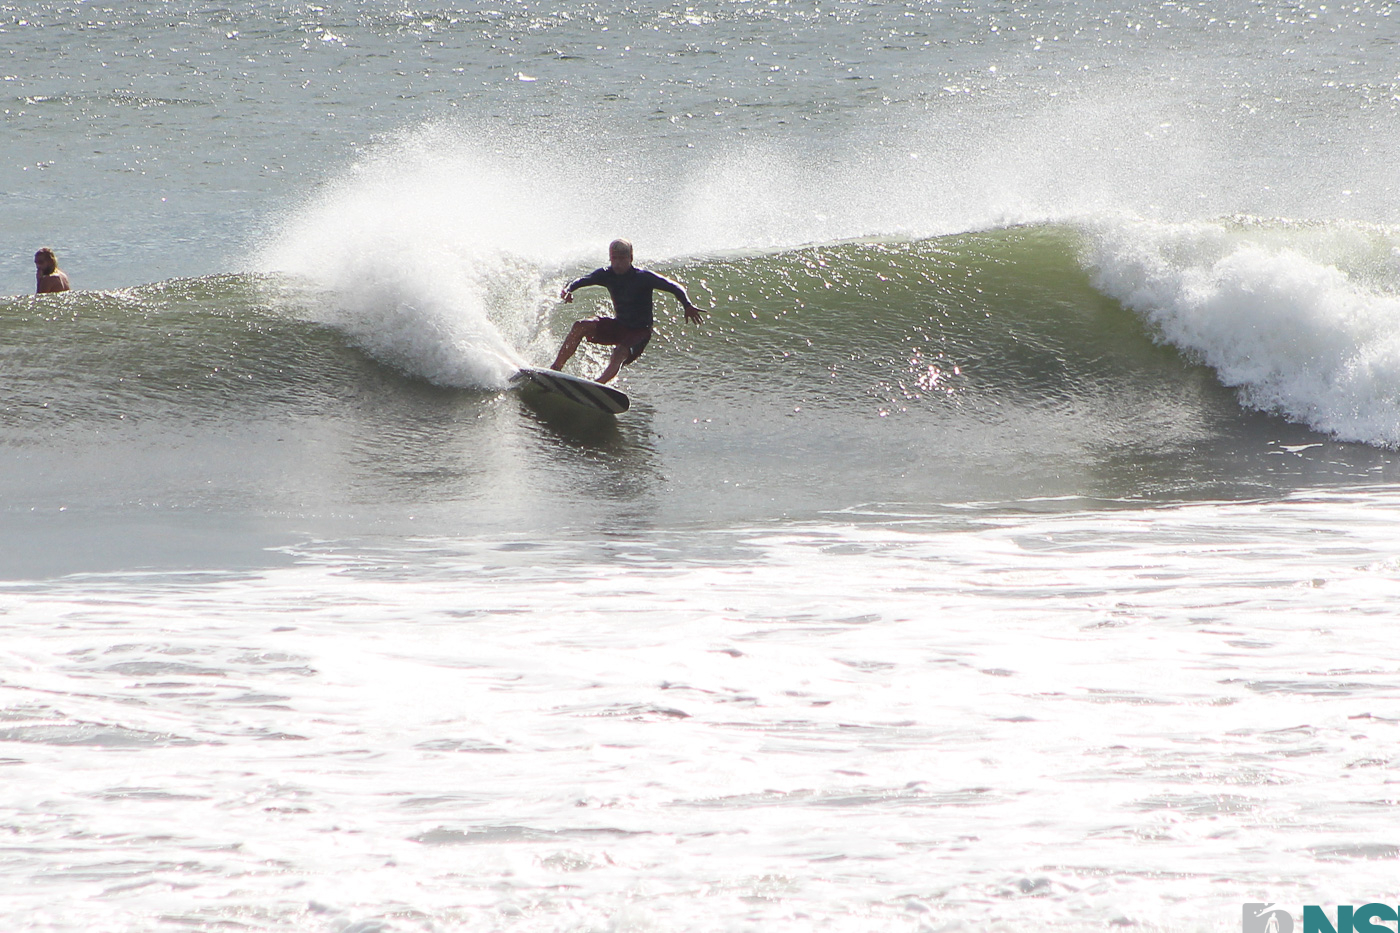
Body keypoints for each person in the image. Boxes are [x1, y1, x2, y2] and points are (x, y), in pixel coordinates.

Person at [551, 239, 705, 384]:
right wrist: (568, 289)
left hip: (639, 333)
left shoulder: (643, 277)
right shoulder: (606, 274)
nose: (617, 263)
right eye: (614, 258)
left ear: (631, 258)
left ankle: (596, 385)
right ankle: (555, 370)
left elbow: (674, 286)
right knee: (581, 325)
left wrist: (687, 305)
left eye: (621, 259)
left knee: (619, 352)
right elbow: (581, 280)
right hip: (619, 326)